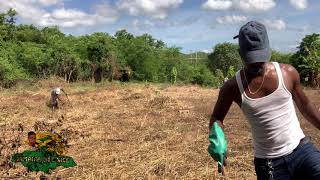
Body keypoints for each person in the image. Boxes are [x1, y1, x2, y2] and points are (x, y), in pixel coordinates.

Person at [208, 21, 320, 179]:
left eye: (260, 57)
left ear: (268, 49)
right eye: (250, 58)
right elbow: (217, 117)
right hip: (269, 163)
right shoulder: (232, 87)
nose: (256, 63)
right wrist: (217, 137)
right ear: (240, 54)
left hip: (302, 150)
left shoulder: (287, 73)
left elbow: (305, 105)